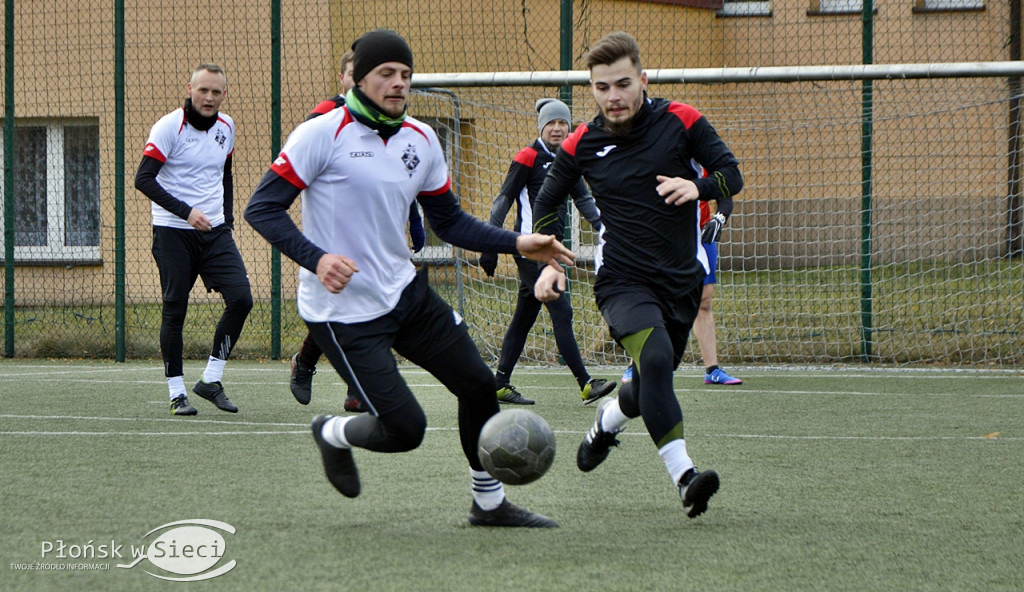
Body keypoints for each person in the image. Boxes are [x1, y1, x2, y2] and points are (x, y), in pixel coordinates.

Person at [245, 29, 573, 527]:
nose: (399, 84)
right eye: (386, 74)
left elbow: (450, 222)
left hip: (406, 293)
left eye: (405, 75)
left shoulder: (420, 139)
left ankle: (488, 505)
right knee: (406, 429)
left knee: (479, 385)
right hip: (343, 313)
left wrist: (516, 242)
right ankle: (332, 432)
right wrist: (317, 259)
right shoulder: (320, 133)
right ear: (358, 77)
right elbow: (262, 208)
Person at [532, 31, 743, 518]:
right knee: (654, 359)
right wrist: (546, 262)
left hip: (681, 281)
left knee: (652, 379)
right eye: (601, 87)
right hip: (622, 280)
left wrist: (698, 185)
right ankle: (686, 478)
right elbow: (546, 203)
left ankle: (606, 424)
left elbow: (732, 174)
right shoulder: (583, 141)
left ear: (643, 80)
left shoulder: (681, 120)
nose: (613, 96)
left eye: (622, 84)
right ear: (592, 89)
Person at [289, 48, 426, 411]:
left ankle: (321, 370)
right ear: (345, 80)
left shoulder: (390, 121)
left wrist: (414, 222)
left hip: (377, 233)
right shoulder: (324, 118)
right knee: (340, 305)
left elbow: (399, 177)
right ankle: (324, 373)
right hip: (335, 235)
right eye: (352, 74)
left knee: (367, 303)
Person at [478, 98, 616, 406]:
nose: (557, 128)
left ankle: (499, 384)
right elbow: (503, 200)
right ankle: (586, 384)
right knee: (562, 310)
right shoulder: (528, 156)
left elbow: (584, 200)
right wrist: (490, 245)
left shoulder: (569, 158)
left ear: (569, 127)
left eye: (562, 123)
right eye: (551, 123)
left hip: (550, 252)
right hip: (530, 249)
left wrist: (607, 228)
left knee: (523, 318)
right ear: (542, 127)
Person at [135, 63, 253, 416]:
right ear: (190, 89)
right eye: (203, 90)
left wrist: (227, 221)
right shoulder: (169, 126)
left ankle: (211, 380)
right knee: (175, 311)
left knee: (242, 299)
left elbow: (226, 174)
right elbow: (143, 179)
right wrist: (186, 212)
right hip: (173, 232)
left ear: (224, 95)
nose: (209, 97)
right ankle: (177, 393)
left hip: (215, 233)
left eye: (216, 92)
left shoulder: (227, 126)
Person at [618, 170, 743, 390]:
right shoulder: (658, 157)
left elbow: (725, 195)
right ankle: (635, 365)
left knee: (704, 300)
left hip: (699, 237)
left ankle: (712, 369)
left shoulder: (702, 158)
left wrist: (719, 218)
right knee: (653, 298)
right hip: (662, 236)